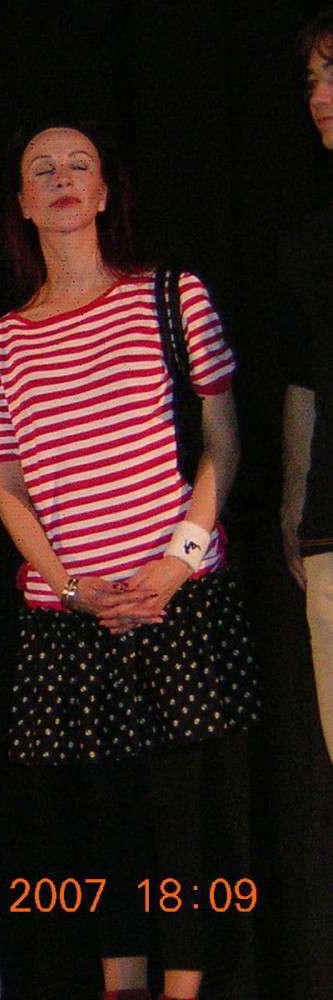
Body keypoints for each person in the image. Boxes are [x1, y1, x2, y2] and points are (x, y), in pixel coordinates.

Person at [0, 122, 259, 1000]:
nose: (61, 179)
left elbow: (222, 441)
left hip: (175, 601)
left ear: (102, 193)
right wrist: (71, 588)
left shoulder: (172, 296)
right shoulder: (3, 343)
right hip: (72, 616)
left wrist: (175, 563)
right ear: (22, 204)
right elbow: (5, 485)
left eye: (78, 166)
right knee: (102, 827)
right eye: (41, 169)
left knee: (181, 820)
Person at [281, 5, 333, 768]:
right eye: (310, 79)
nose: (318, 94)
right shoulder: (307, 241)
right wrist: (293, 501)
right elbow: (303, 380)